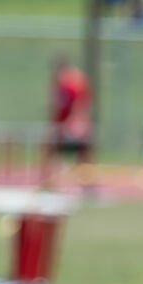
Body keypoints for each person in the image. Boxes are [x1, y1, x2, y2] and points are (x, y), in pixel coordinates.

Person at [41, 54, 93, 189]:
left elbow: (80, 104)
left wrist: (76, 123)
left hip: (74, 124)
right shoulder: (57, 83)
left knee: (83, 149)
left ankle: (85, 179)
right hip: (61, 124)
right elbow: (54, 106)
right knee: (50, 146)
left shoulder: (74, 82)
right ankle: (49, 178)